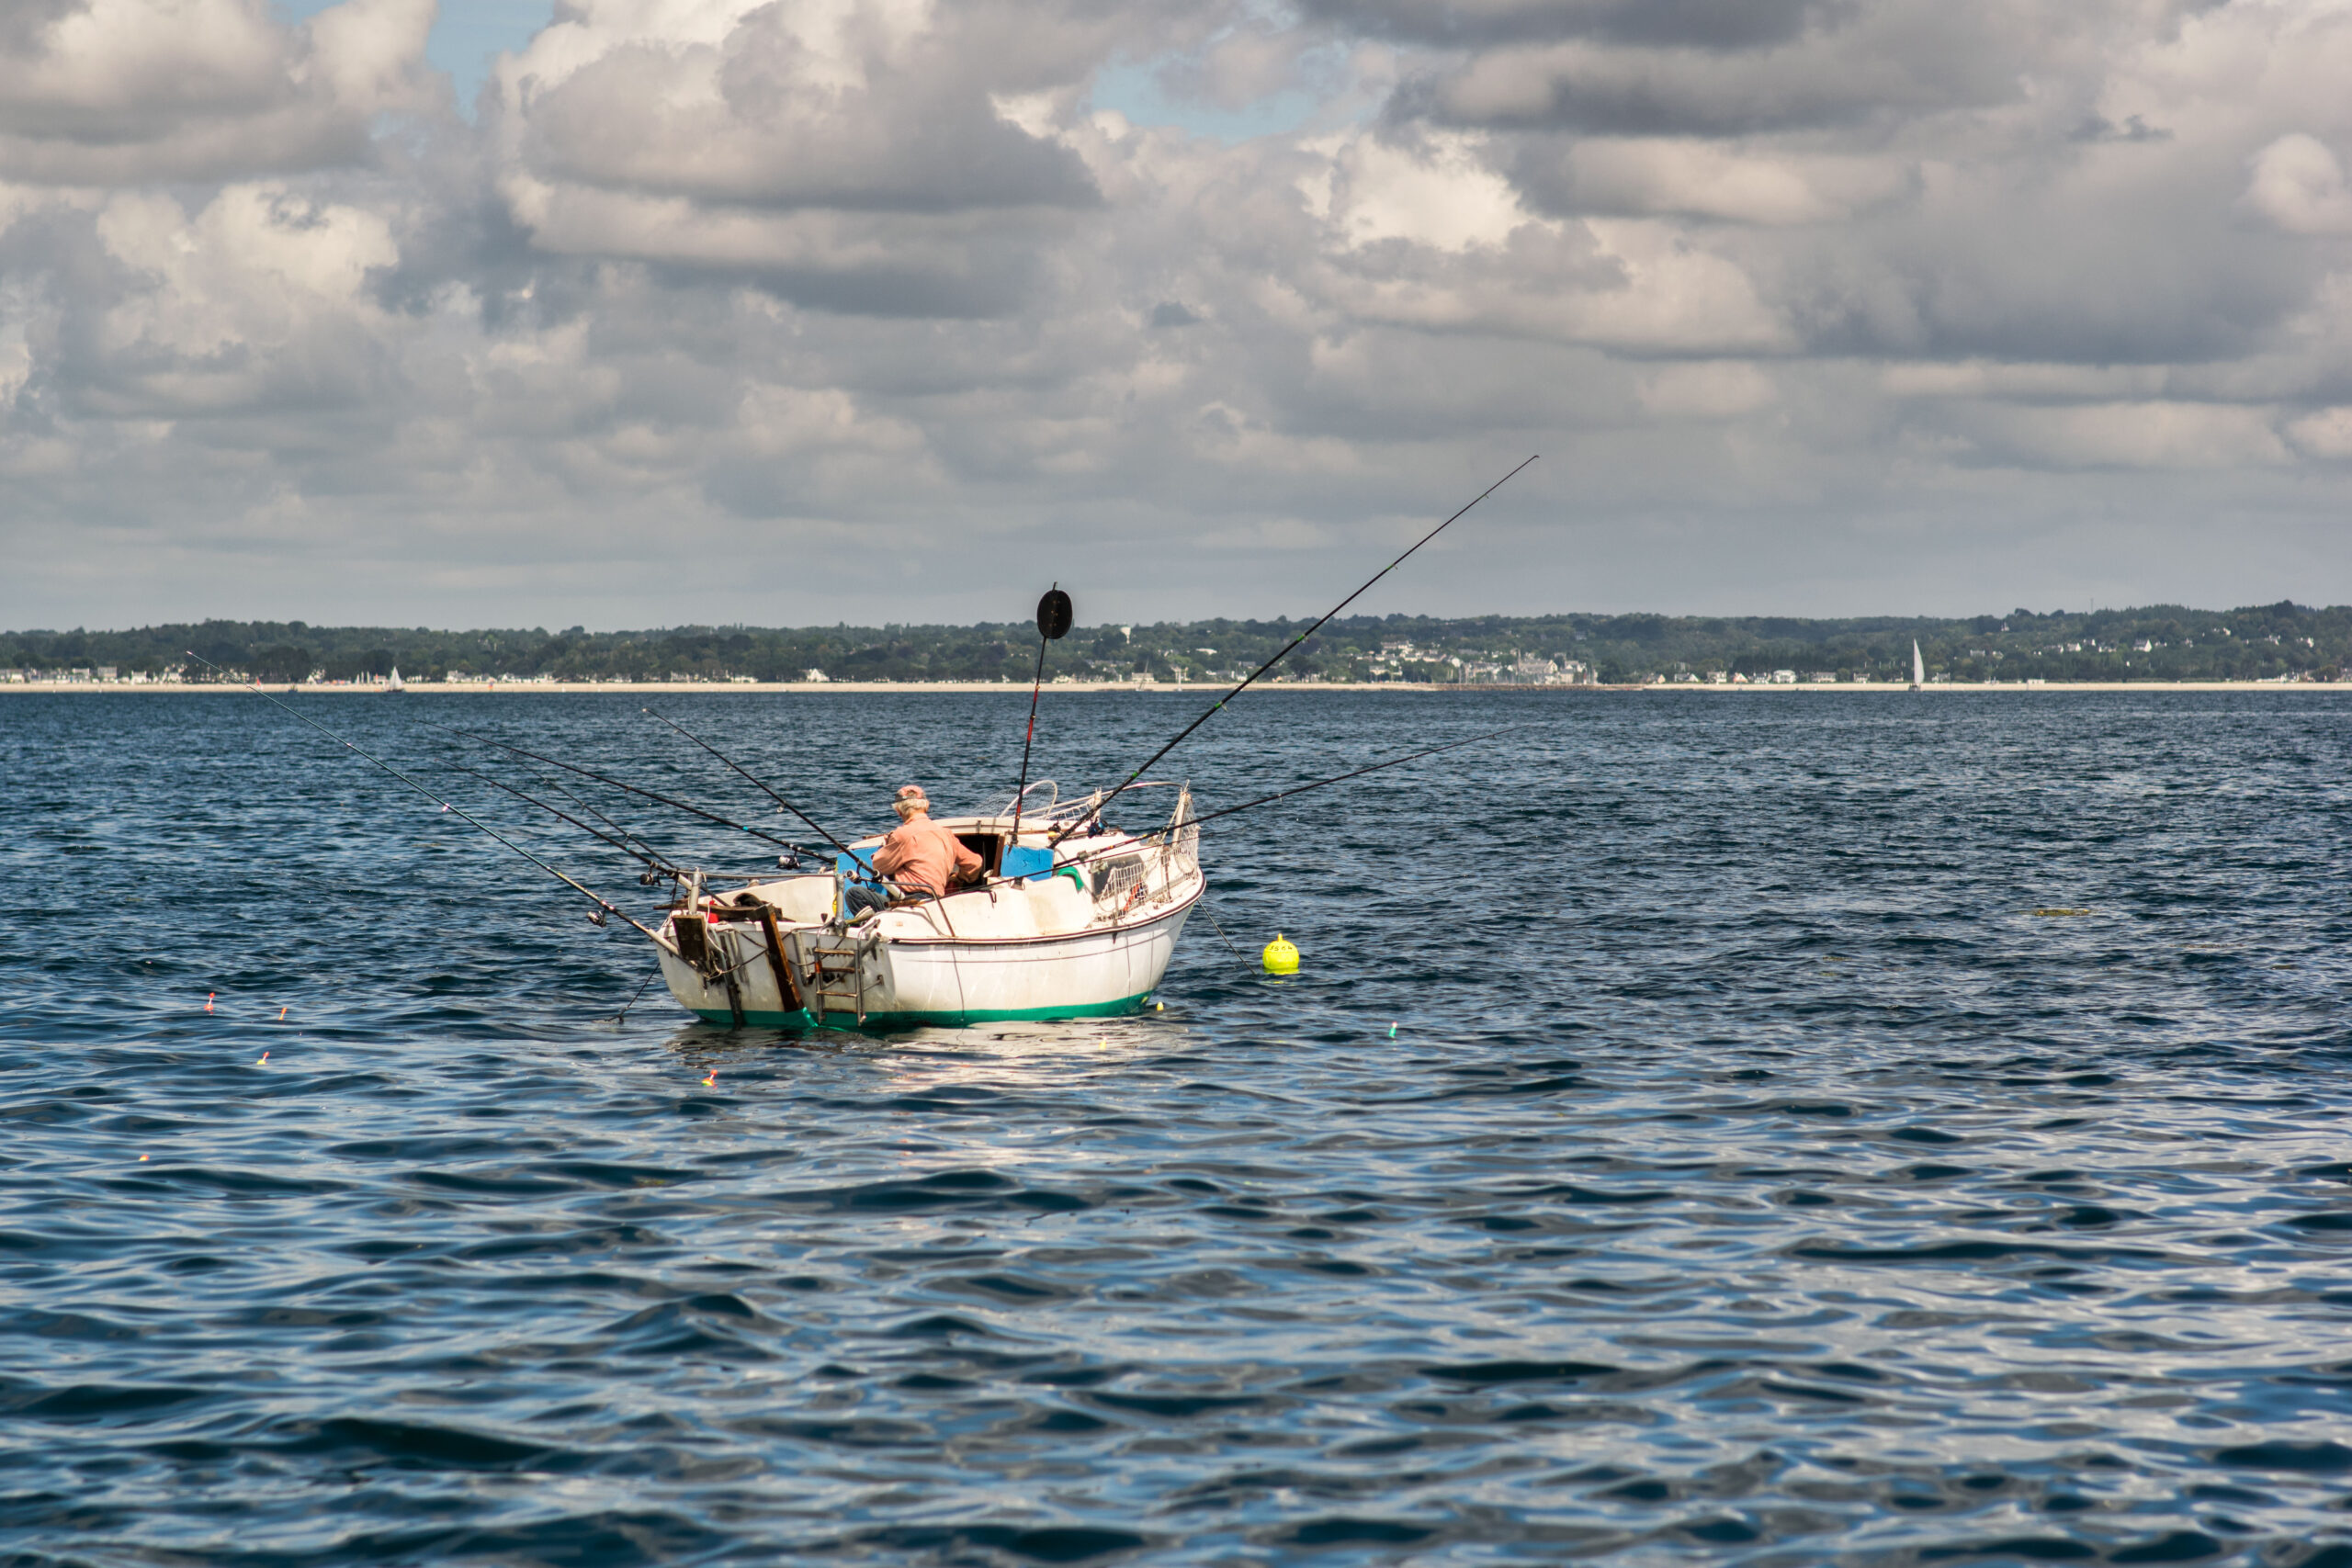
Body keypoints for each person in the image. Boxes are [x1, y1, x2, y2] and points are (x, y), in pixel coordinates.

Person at [842, 784, 982, 920]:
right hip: (937, 901)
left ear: (898, 810)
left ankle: (877, 930)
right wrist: (959, 878)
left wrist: (888, 844)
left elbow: (879, 866)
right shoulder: (946, 834)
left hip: (912, 904)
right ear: (926, 806)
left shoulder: (902, 835)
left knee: (854, 894)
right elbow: (975, 863)